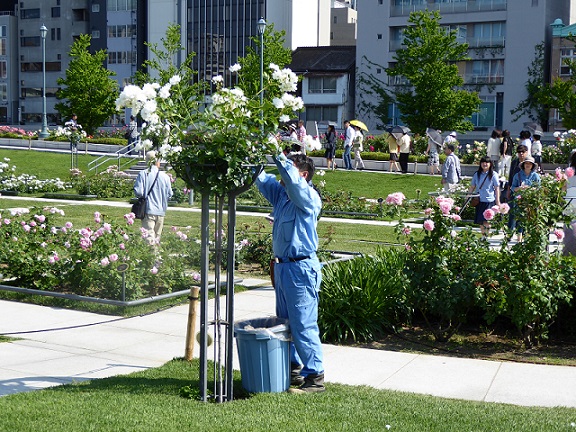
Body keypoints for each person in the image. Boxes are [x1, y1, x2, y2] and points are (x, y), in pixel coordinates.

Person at [255, 152, 325, 394]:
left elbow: (292, 181)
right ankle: (293, 369)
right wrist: (253, 151)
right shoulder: (282, 196)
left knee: (303, 323)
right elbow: (262, 179)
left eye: (289, 169)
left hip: (301, 269)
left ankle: (315, 377)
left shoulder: (307, 197)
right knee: (285, 322)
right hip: (283, 267)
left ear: (303, 175)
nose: (282, 174)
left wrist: (277, 152)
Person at [133, 151, 173, 241]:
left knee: (149, 238)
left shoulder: (143, 174)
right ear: (158, 162)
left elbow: (139, 192)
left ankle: (152, 251)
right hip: (161, 211)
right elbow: (170, 194)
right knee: (157, 238)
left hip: (148, 210)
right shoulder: (165, 177)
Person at [510, 156, 541, 242]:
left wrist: (530, 189)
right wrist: (520, 188)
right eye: (526, 163)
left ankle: (528, 236)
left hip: (531, 200)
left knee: (530, 218)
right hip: (520, 200)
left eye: (530, 164)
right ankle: (519, 236)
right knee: (520, 218)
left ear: (532, 166)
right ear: (523, 165)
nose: (528, 165)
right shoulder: (518, 175)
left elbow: (538, 188)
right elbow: (513, 188)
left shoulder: (535, 176)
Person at [469, 156, 500, 237]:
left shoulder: (493, 174)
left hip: (489, 201)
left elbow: (497, 188)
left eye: (487, 162)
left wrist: (497, 201)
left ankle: (486, 236)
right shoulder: (477, 174)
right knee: (481, 221)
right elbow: (472, 186)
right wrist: (468, 196)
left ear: (490, 164)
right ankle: (483, 236)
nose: (484, 164)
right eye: (483, 162)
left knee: (487, 220)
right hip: (479, 200)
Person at [563, 152, 576, 255]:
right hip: (571, 202)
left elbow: (563, 188)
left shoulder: (569, 171)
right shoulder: (569, 171)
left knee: (569, 231)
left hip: (569, 202)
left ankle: (568, 255)